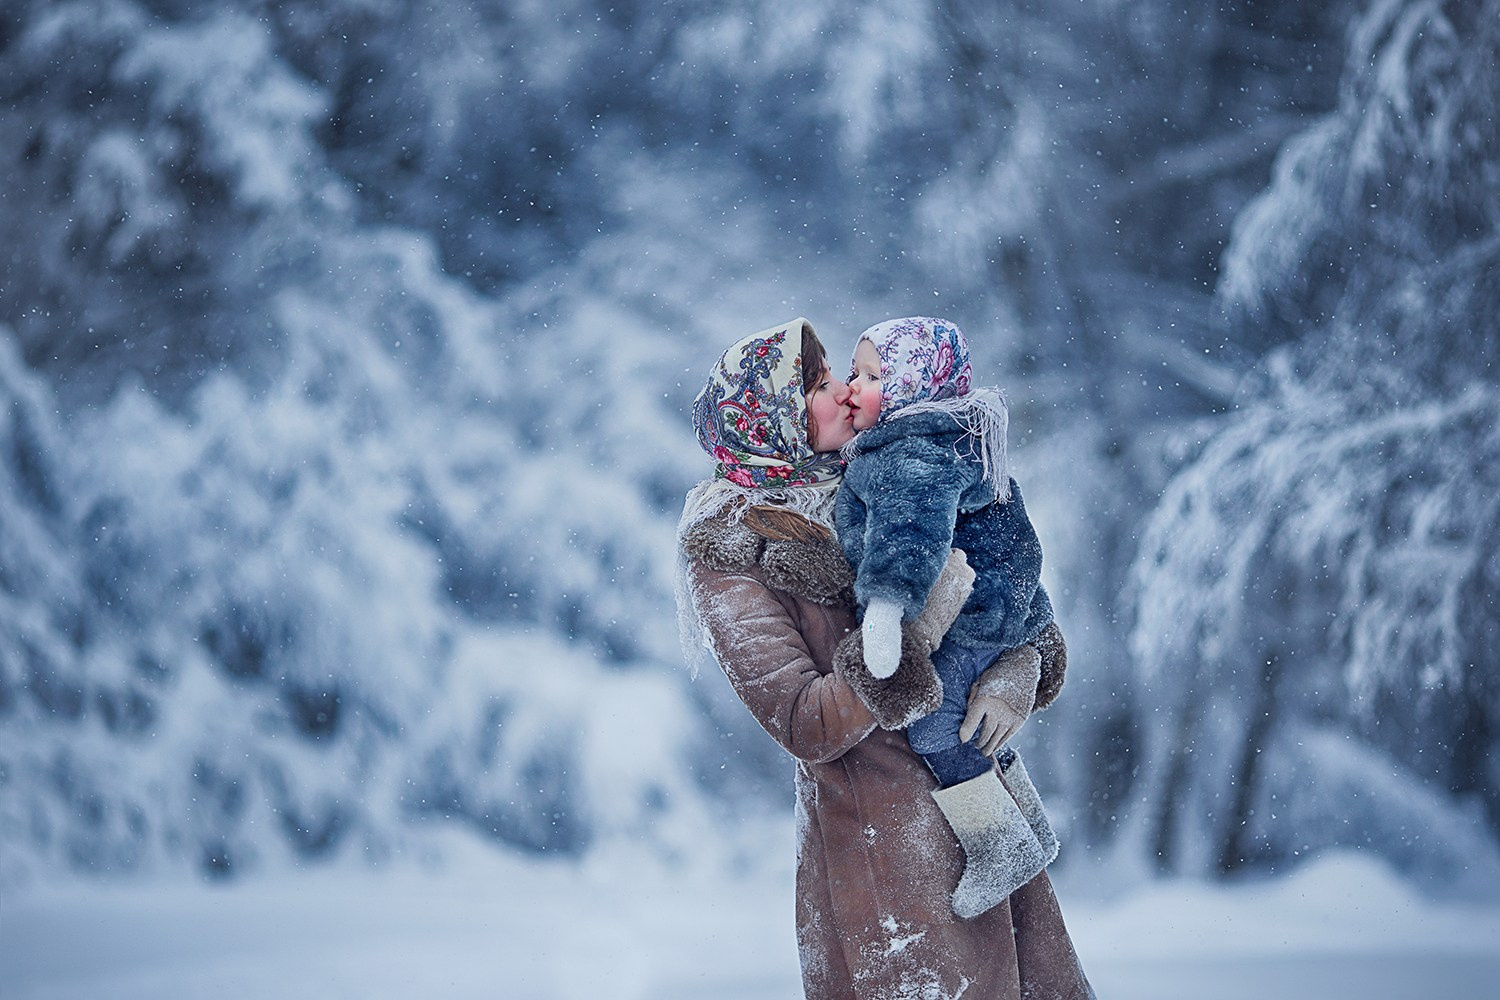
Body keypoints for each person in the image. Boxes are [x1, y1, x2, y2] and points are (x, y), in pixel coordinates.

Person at [677, 317, 1093, 1000]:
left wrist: (1022, 665)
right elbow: (806, 722)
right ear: (774, 420)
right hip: (889, 863)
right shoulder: (730, 554)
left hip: (985, 825)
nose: (846, 391)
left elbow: (1007, 574)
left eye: (839, 375)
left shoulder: (888, 471)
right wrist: (913, 635)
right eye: (818, 385)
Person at [831, 316, 1067, 919]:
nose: (851, 386)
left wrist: (886, 607)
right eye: (854, 372)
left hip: (962, 622)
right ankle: (1029, 823)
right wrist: (1024, 628)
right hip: (993, 617)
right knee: (974, 732)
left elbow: (908, 535)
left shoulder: (909, 452)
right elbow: (1015, 546)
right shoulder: (958, 441)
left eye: (872, 376)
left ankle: (1000, 845)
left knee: (940, 730)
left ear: (910, 388)